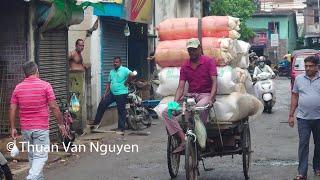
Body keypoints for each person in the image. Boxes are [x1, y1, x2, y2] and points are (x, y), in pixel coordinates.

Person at [9, 61, 67, 180]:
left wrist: (13, 127)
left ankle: (36, 177)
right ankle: (31, 178)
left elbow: (12, 108)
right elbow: (54, 107)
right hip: (40, 129)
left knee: (33, 158)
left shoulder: (18, 88)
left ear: (25, 73)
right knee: (40, 157)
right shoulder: (45, 86)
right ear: (37, 71)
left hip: (26, 130)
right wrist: (61, 124)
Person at [162, 38, 218, 153]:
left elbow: (214, 82)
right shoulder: (185, 65)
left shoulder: (209, 61)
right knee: (166, 112)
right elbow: (181, 87)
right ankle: (183, 139)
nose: (191, 52)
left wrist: (211, 99)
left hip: (205, 94)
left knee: (199, 108)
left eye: (194, 49)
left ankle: (201, 137)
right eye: (189, 50)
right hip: (190, 95)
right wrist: (175, 102)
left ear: (199, 49)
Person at [289, 56, 320, 180]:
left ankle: (317, 167)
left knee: (318, 144)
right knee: (303, 144)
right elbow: (295, 96)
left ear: (317, 66)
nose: (307, 68)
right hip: (303, 119)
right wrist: (291, 115)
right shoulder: (299, 79)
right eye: (306, 66)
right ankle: (302, 173)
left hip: (319, 118)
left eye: (310, 66)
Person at [89, 57, 136, 135]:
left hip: (122, 93)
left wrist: (127, 81)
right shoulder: (112, 71)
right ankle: (96, 124)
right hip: (112, 93)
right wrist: (105, 94)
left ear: (120, 63)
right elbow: (108, 83)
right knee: (102, 104)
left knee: (121, 111)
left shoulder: (124, 69)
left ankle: (121, 128)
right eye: (114, 62)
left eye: (117, 62)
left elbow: (132, 74)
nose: (115, 63)